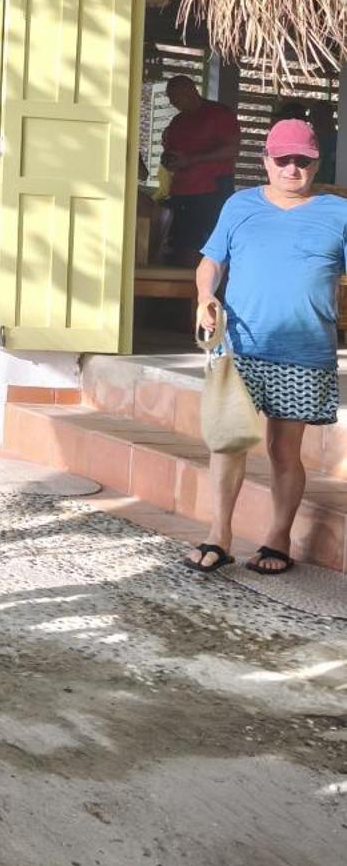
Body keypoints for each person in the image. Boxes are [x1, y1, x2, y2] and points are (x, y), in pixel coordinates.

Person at [185, 118, 347, 576]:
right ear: (266, 161)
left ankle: (277, 538)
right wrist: (205, 296)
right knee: (228, 443)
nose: (292, 169)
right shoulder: (241, 206)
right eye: (283, 159)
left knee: (283, 450)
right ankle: (219, 534)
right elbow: (210, 262)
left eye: (303, 160)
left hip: (304, 348)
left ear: (316, 164)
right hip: (241, 346)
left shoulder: (338, 213)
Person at [160, 74, 240, 264]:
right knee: (178, 246)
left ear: (190, 91)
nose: (172, 102)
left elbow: (232, 149)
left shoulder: (218, 114)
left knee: (206, 248)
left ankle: (203, 290)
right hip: (181, 192)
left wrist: (193, 159)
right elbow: (170, 151)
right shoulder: (178, 121)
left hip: (210, 192)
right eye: (170, 98)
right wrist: (169, 160)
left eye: (175, 96)